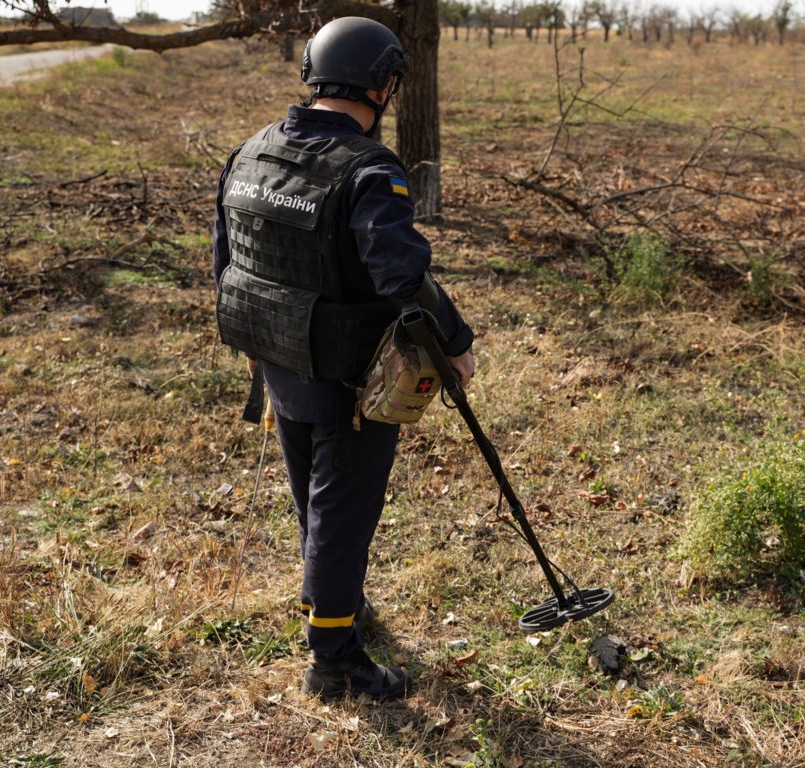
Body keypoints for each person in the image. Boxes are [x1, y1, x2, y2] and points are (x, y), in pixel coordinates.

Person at [212, 16, 475, 701]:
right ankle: (335, 660)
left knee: (314, 502)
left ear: (313, 71)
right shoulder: (367, 168)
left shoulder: (250, 152)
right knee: (341, 513)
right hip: (344, 375)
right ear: (384, 84)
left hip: (277, 358)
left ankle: (333, 604)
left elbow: (225, 261)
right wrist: (456, 343)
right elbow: (401, 277)